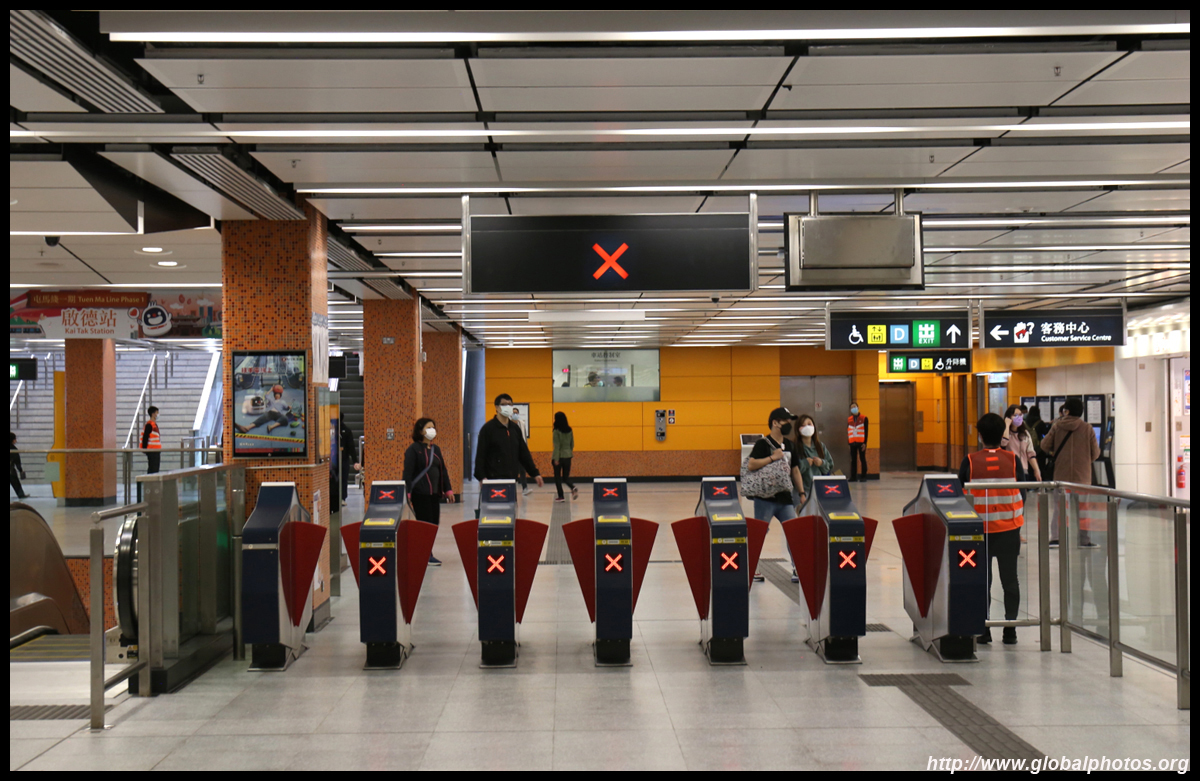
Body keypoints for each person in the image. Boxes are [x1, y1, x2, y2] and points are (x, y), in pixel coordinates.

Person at [959, 413, 1026, 645]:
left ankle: (983, 629)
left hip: (978, 532)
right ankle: (1010, 630)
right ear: (1001, 435)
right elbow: (1023, 493)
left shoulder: (969, 461)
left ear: (979, 436)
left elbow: (959, 495)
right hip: (1009, 530)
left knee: (982, 582)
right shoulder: (1013, 460)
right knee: (1010, 581)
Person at [743, 407, 803, 582]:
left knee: (793, 532)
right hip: (765, 499)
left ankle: (797, 568)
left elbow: (795, 470)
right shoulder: (763, 444)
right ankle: (753, 568)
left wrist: (801, 492)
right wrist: (772, 458)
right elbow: (751, 465)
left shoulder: (790, 445)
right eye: (786, 421)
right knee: (759, 533)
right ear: (775, 423)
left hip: (785, 499)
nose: (789, 424)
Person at [1039, 397, 1101, 547]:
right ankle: (1084, 540)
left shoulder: (1057, 427)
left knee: (1059, 508)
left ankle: (1056, 538)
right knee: (1083, 509)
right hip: (1082, 477)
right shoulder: (1087, 428)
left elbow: (1044, 446)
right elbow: (1095, 453)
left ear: (1066, 411)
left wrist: (1056, 452)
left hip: (1062, 476)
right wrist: (1084, 460)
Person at [474, 394, 543, 506]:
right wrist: (481, 476)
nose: (507, 407)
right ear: (497, 407)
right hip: (493, 481)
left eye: (510, 404)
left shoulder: (515, 429)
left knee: (510, 512)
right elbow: (481, 455)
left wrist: (534, 473)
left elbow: (524, 453)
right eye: (504, 404)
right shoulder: (488, 429)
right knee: (495, 512)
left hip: (511, 481)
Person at [404, 418, 454, 566]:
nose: (432, 430)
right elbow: (408, 472)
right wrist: (408, 492)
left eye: (433, 427)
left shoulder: (435, 449)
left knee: (433, 524)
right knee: (425, 525)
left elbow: (443, 470)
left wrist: (448, 490)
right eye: (428, 427)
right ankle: (426, 555)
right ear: (420, 431)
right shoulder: (413, 449)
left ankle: (425, 551)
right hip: (420, 494)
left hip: (434, 494)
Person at [795, 414, 834, 583]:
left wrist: (821, 463)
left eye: (809, 424)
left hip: (820, 493)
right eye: (803, 425)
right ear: (798, 429)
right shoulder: (796, 448)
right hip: (802, 493)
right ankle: (798, 565)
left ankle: (820, 564)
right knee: (803, 529)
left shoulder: (820, 447)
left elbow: (830, 465)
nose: (807, 427)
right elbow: (794, 469)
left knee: (820, 529)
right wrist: (806, 464)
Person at [1002, 405, 1042, 483]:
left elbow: (1030, 454)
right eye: (1015, 415)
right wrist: (1006, 425)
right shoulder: (1005, 433)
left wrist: (1036, 470)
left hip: (1023, 470)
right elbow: (1003, 442)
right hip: (1009, 470)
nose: (1019, 417)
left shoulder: (1025, 434)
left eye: (1020, 415)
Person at [551, 411, 578, 502]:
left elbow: (557, 446)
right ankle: (572, 487)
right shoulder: (569, 430)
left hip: (559, 456)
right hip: (568, 456)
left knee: (557, 478)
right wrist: (569, 453)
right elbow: (572, 444)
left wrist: (556, 459)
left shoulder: (556, 431)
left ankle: (561, 496)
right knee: (565, 477)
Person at [847, 402, 869, 482]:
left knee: (862, 459)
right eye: (852, 407)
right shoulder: (849, 419)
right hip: (852, 442)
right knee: (853, 460)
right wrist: (849, 443)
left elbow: (866, 431)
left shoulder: (864, 418)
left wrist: (865, 443)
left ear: (858, 408)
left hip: (861, 442)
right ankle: (853, 476)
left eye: (855, 407)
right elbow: (849, 431)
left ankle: (863, 476)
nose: (853, 408)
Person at [340, 420, 358, 503]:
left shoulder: (345, 431)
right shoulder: (347, 430)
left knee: (341, 479)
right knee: (344, 479)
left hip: (339, 459)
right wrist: (355, 461)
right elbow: (351, 447)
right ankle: (342, 497)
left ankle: (341, 497)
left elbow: (351, 446)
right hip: (344, 459)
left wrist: (355, 461)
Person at [141, 405, 162, 475]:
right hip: (152, 450)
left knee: (155, 468)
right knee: (153, 468)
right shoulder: (149, 425)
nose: (158, 414)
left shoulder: (154, 425)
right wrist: (145, 449)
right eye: (157, 412)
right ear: (153, 414)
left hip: (156, 450)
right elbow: (145, 438)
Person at [10, 432, 28, 500]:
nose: (16, 440)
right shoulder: (13, 449)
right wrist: (20, 470)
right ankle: (21, 495)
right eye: (15, 439)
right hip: (11, 471)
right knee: (16, 483)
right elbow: (17, 461)